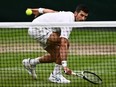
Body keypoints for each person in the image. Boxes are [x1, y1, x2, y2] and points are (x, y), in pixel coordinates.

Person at [22, 4, 89, 83]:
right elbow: (63, 43)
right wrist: (65, 66)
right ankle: (56, 75)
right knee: (65, 43)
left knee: (56, 56)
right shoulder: (68, 20)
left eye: (85, 17)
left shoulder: (66, 15)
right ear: (75, 13)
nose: (83, 18)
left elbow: (52, 12)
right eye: (81, 15)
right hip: (38, 29)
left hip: (39, 29)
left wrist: (39, 10)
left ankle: (30, 63)